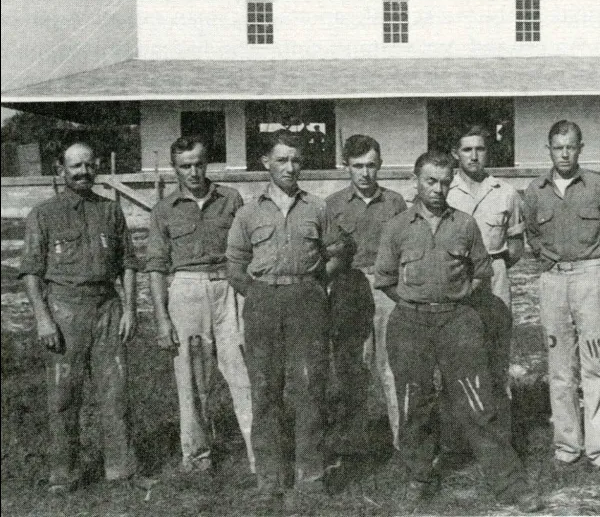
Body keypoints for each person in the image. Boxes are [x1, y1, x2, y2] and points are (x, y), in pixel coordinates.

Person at [374, 151, 539, 508]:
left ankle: (509, 483)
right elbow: (385, 279)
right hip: (411, 323)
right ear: (415, 182)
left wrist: (455, 302)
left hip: (457, 320)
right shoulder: (397, 227)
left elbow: (482, 272)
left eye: (445, 182)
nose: (437, 189)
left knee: (479, 402)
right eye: (430, 181)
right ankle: (418, 477)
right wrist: (415, 300)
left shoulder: (464, 224)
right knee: (413, 404)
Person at [19, 141, 150, 494]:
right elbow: (31, 272)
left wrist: (131, 310)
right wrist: (43, 319)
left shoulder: (111, 211)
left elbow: (127, 263)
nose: (83, 172)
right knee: (63, 397)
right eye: (75, 166)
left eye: (89, 165)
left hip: (107, 308)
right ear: (60, 169)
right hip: (64, 311)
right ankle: (64, 473)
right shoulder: (43, 214)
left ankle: (120, 470)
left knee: (115, 393)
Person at [226, 130, 330, 505]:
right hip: (264, 302)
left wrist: (318, 285)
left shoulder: (317, 208)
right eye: (282, 160)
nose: (290, 167)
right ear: (265, 163)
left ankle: (311, 477)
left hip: (306, 300)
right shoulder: (248, 212)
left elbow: (335, 251)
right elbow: (235, 265)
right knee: (265, 391)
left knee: (308, 388)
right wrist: (255, 294)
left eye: (296, 160)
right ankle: (270, 480)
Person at [146, 136, 256, 476]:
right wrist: (162, 319)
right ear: (174, 168)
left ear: (207, 163)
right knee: (189, 378)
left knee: (242, 373)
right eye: (185, 166)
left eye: (198, 164)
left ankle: (259, 454)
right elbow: (155, 267)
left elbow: (248, 250)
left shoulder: (231, 198)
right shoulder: (164, 209)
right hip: (185, 290)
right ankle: (196, 458)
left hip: (227, 287)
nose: (193, 172)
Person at [523, 121, 600, 482]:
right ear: (548, 149)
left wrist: (599, 258)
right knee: (560, 365)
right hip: (553, 280)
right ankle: (567, 447)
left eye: (570, 147)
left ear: (581, 148)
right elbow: (531, 233)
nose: (564, 153)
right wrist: (546, 257)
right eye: (557, 147)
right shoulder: (535, 190)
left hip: (589, 278)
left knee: (596, 361)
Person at [446, 125, 526, 478]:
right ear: (455, 154)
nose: (474, 156)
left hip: (494, 278)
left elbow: (516, 247)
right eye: (467, 150)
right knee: (457, 364)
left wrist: (492, 267)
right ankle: (460, 445)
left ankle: (500, 445)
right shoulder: (445, 190)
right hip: (456, 281)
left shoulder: (505, 192)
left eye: (480, 149)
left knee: (496, 364)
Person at [324, 134, 407, 470]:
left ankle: (404, 441)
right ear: (347, 166)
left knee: (393, 367)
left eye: (371, 165)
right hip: (348, 288)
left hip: (387, 287)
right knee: (351, 367)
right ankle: (354, 445)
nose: (365, 173)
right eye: (357, 166)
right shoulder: (332, 204)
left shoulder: (396, 202)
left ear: (380, 165)